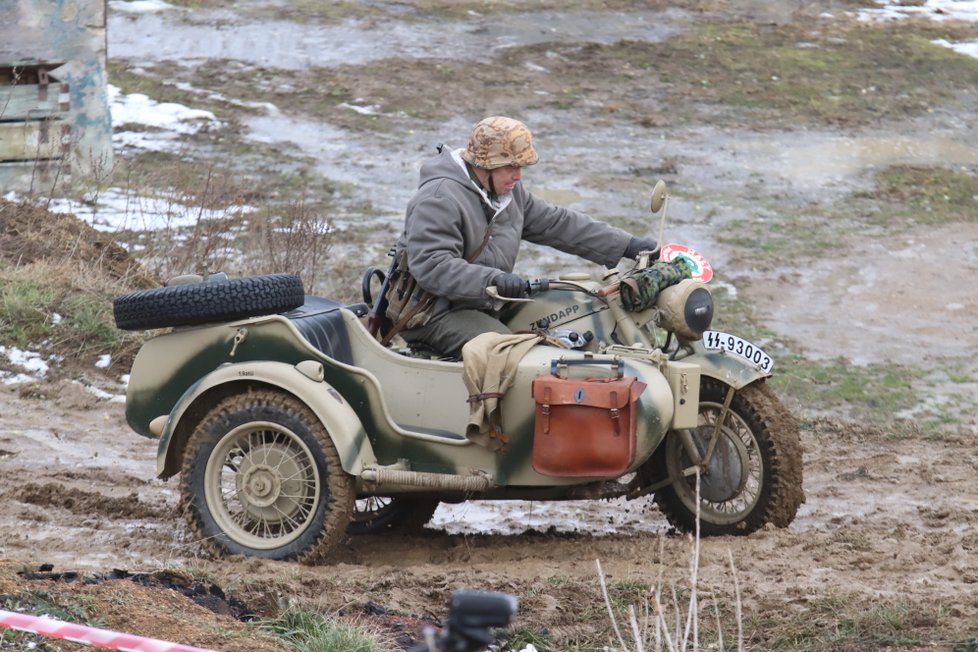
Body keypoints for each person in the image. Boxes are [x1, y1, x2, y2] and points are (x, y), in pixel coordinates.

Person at [388, 116, 658, 359]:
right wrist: (492, 280)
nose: (518, 175)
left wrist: (627, 245)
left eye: (521, 167)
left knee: (579, 313)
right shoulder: (439, 198)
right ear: (485, 165)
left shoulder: (507, 193)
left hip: (486, 300)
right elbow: (432, 265)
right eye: (510, 167)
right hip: (433, 313)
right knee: (515, 358)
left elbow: (556, 223)